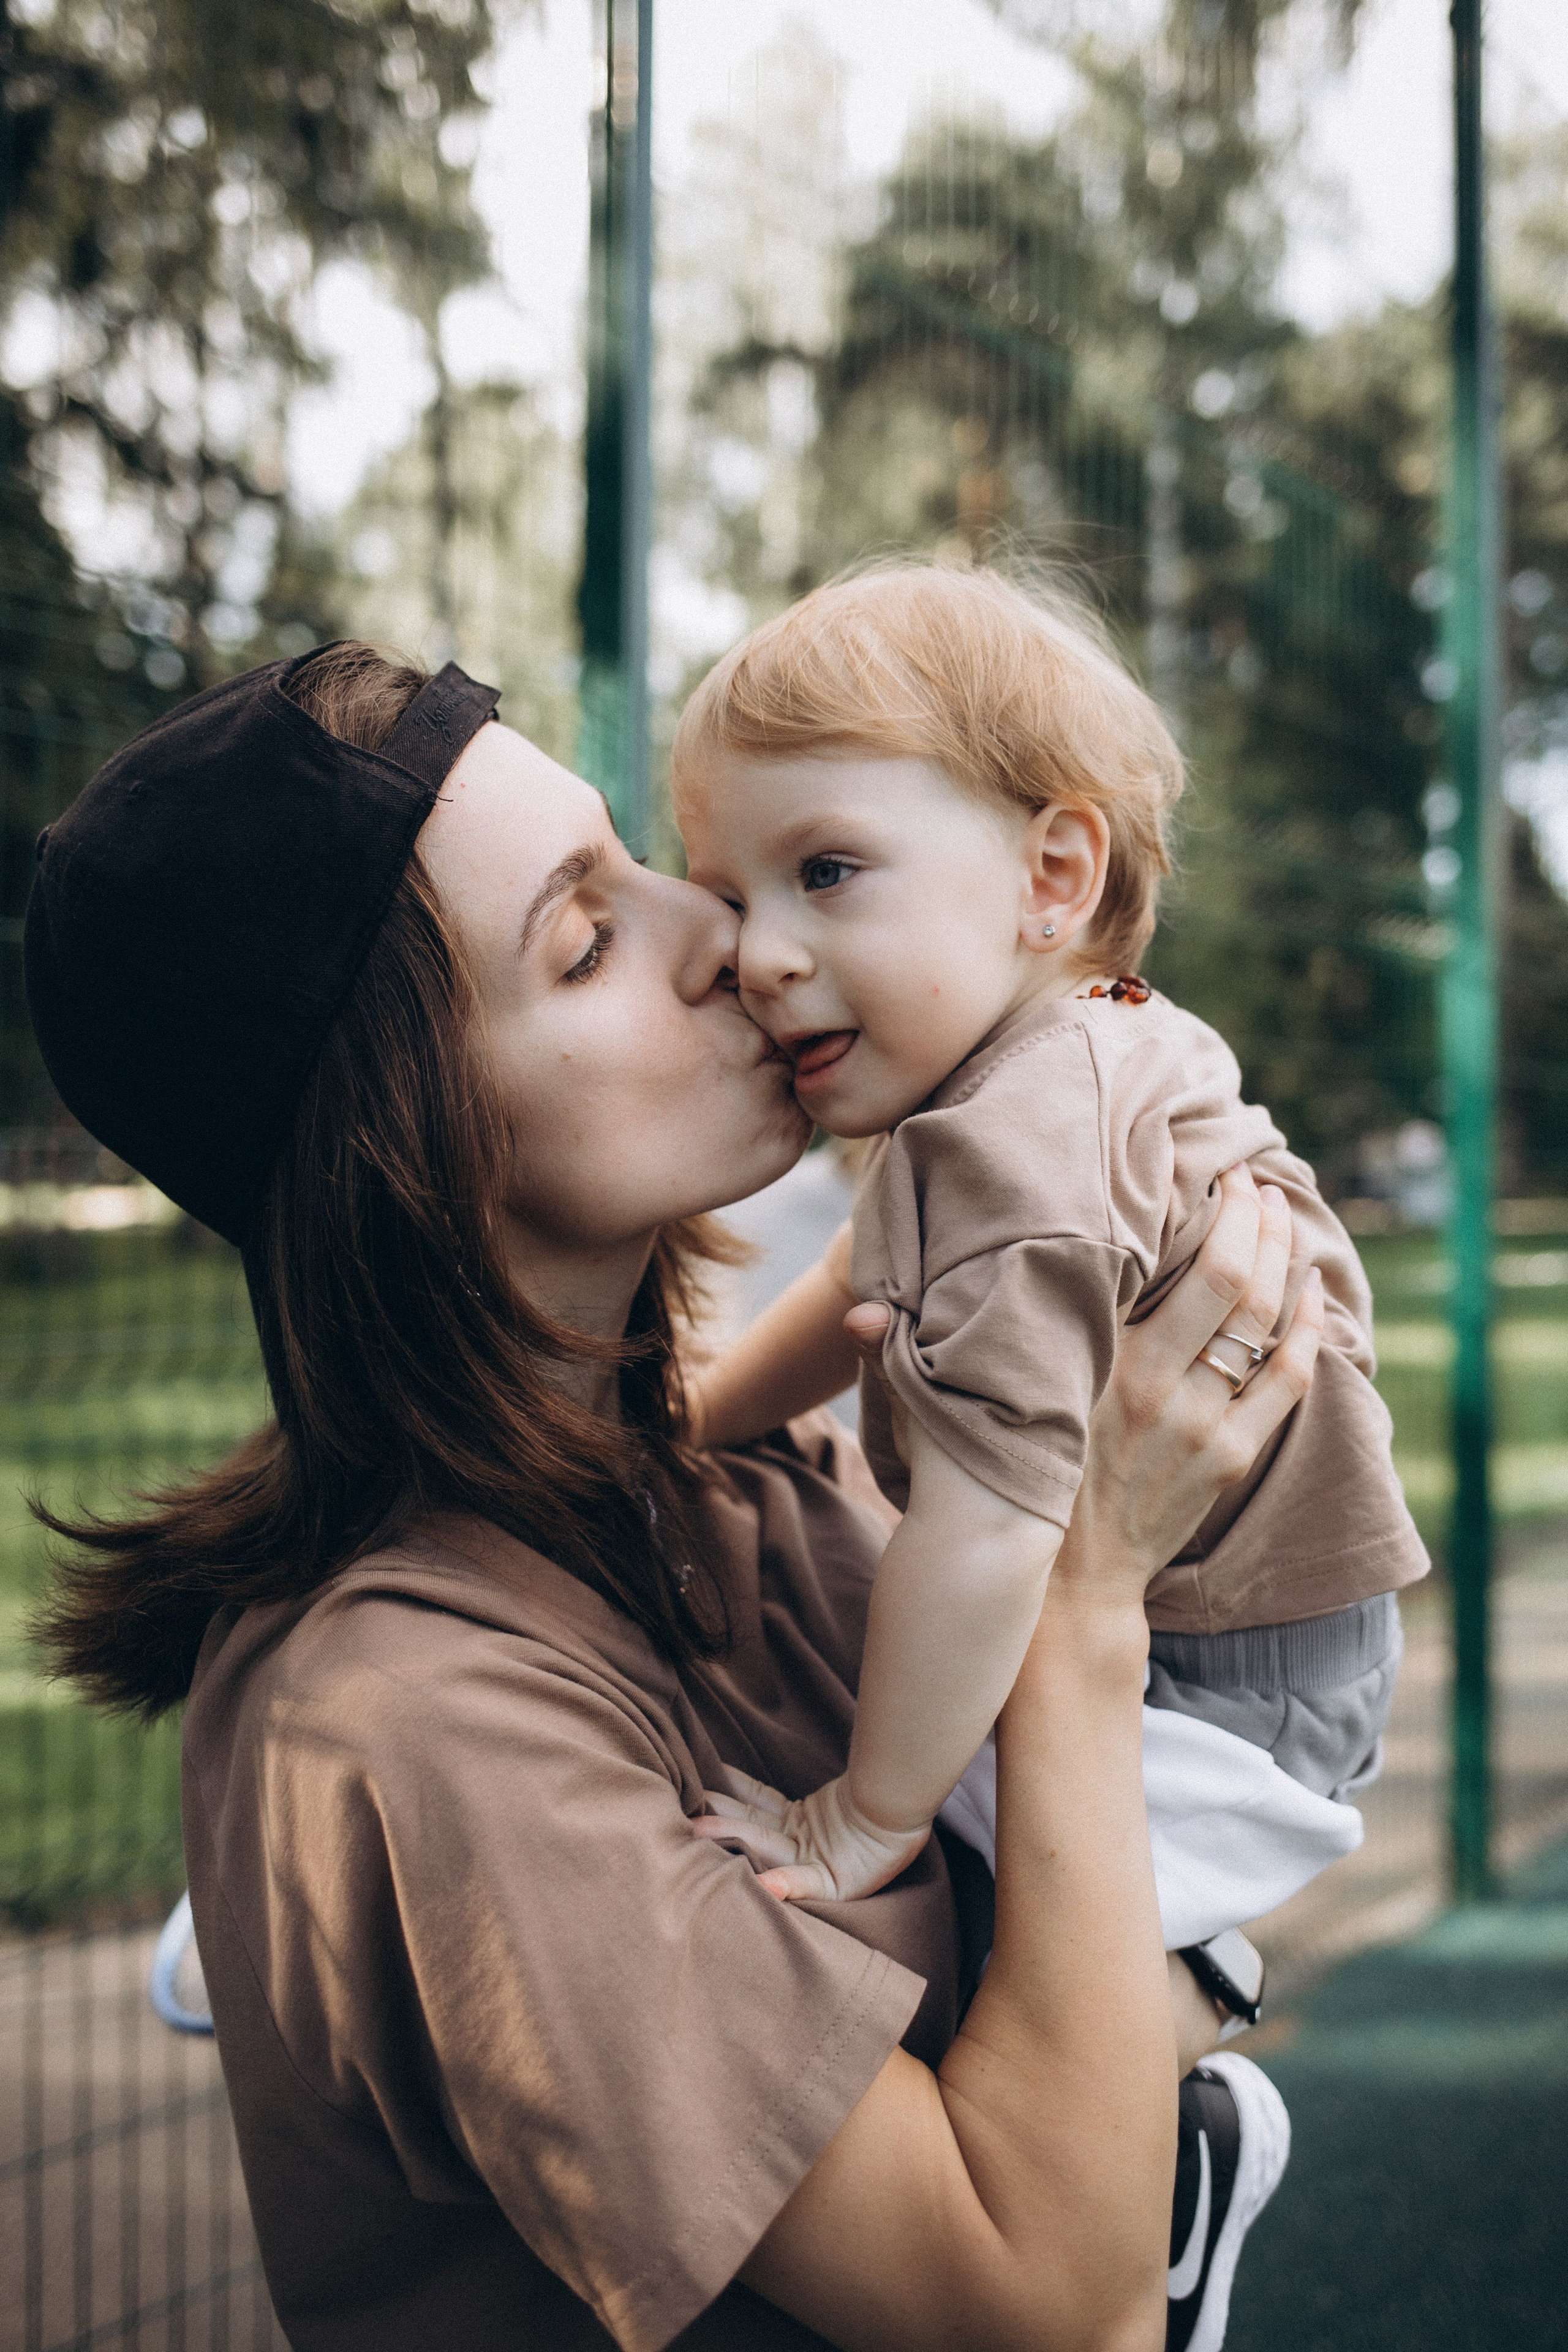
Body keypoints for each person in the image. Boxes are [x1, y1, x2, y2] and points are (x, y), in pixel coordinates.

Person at [25, 642, 1319, 2352]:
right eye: (587, 938)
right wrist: (1083, 1609)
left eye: (638, 852)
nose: (722, 930)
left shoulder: (743, 1473)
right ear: (401, 1142)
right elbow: (1058, 2316)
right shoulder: (420, 1723)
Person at [671, 562, 1424, 1974]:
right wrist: (702, 1412)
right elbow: (858, 1276)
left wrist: (863, 1820)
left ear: (1050, 876)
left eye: (824, 872)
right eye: (729, 897)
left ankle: (1181, 2115)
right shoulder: (1068, 1052)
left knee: (935, 1938)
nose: (762, 955)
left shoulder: (1025, 1143)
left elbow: (989, 1526)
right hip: (1256, 1645)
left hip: (1214, 1703)